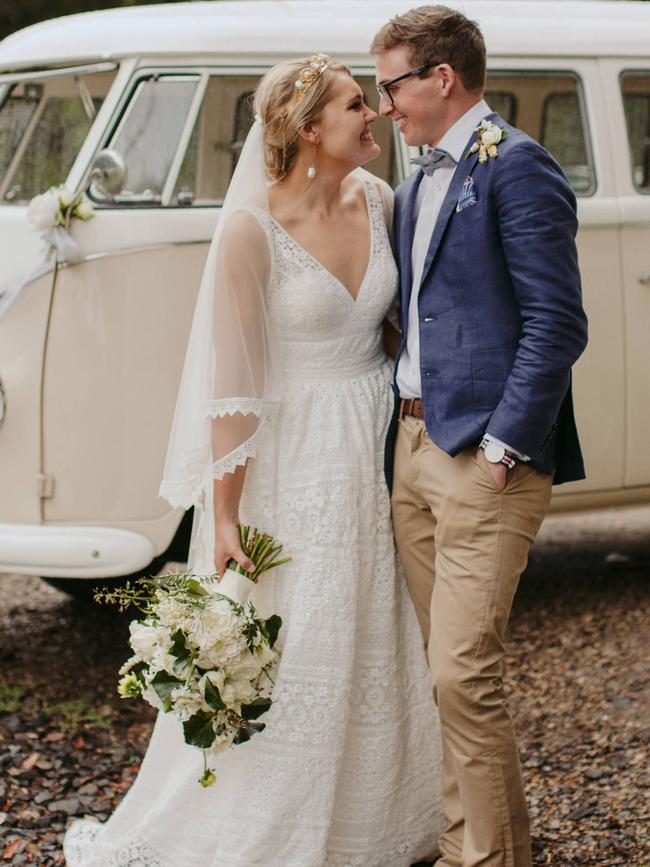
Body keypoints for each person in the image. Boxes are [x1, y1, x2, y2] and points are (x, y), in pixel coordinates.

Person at [63, 55, 443, 867]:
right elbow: (232, 384)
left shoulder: (379, 200)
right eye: (353, 104)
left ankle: (374, 817)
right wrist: (226, 514)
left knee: (377, 621)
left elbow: (395, 330)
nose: (372, 112)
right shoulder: (249, 228)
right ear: (309, 128)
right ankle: (264, 827)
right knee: (298, 635)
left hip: (373, 435)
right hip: (292, 451)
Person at [372, 7, 588, 867]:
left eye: (391, 84)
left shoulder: (518, 167)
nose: (384, 104)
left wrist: (505, 446)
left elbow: (556, 322)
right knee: (443, 673)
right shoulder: (414, 181)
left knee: (465, 672)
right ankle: (473, 841)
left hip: (483, 460)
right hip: (413, 450)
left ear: (440, 78)